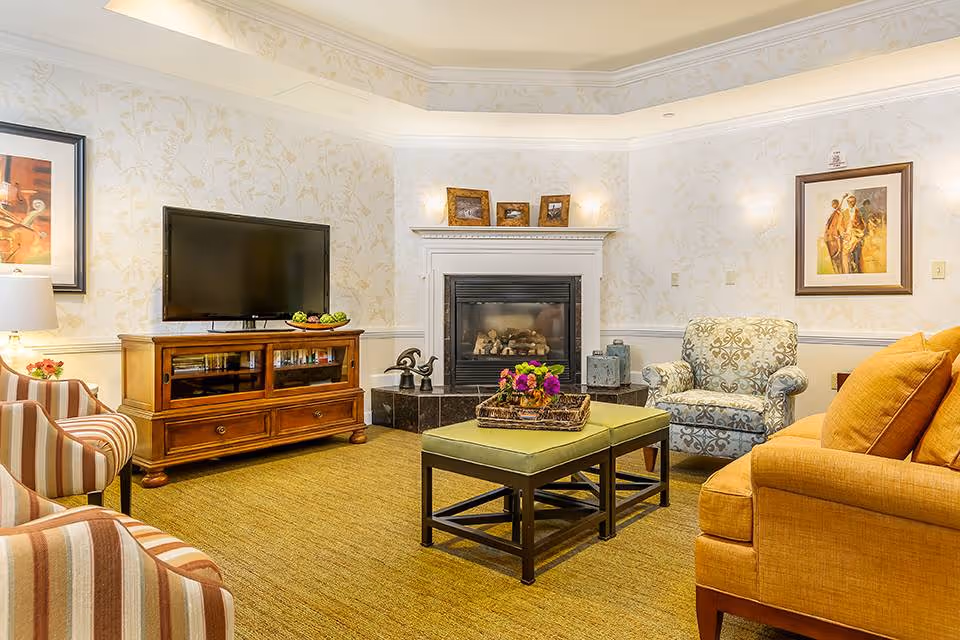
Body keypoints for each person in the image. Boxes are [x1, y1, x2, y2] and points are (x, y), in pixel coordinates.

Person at [823, 199, 844, 273]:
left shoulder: (838, 213)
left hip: (834, 235)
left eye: (834, 204)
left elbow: (838, 226)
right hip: (830, 235)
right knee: (833, 256)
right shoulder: (834, 213)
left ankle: (838, 271)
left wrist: (843, 198)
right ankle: (836, 271)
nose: (833, 205)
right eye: (832, 204)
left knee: (837, 256)